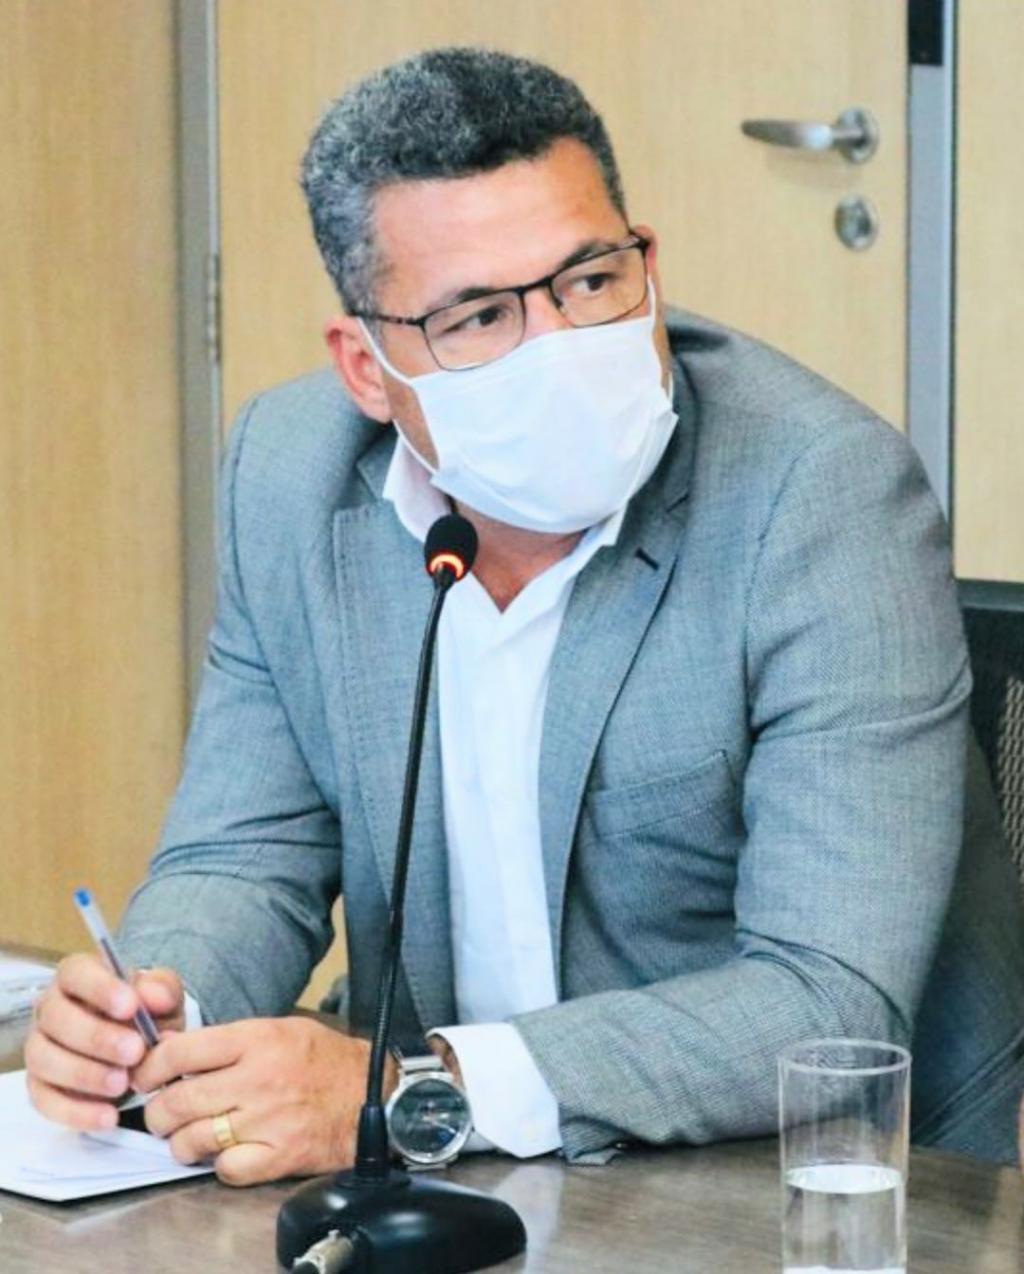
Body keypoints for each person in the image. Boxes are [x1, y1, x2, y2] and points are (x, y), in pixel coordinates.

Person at [25, 47, 1024, 1185]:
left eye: (589, 281)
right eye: (480, 316)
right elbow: (246, 854)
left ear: (645, 261)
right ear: (367, 366)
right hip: (457, 1177)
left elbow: (825, 997)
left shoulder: (822, 494)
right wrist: (157, 1014)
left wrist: (412, 1088)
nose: (559, 345)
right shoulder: (289, 474)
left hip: (800, 1180)